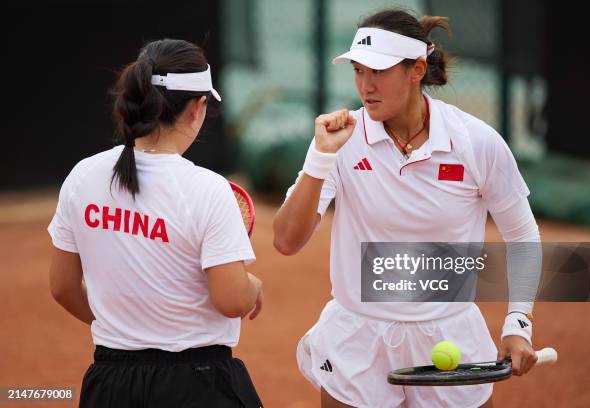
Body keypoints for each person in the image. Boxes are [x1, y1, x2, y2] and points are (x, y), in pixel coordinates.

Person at [274, 8, 541, 408]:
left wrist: (519, 323)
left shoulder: (477, 143)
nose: (365, 86)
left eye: (377, 72)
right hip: (357, 339)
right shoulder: (339, 140)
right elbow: (286, 241)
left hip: (449, 336)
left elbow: (522, 236)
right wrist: (320, 159)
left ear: (417, 69)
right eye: (358, 71)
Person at [48, 38, 264, 407]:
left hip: (110, 381)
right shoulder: (209, 190)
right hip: (198, 384)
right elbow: (231, 300)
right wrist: (252, 286)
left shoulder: (83, 175)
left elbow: (62, 287)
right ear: (197, 108)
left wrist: (128, 330)